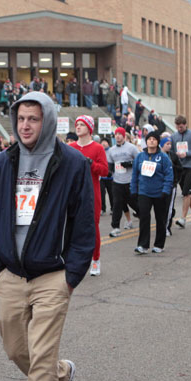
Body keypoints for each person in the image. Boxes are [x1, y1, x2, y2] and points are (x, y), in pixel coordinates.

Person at [0, 91, 95, 381]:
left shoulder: (72, 163)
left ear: (47, 120)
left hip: (52, 275)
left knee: (41, 356)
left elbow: (84, 224)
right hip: (12, 273)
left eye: (33, 119)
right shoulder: (3, 161)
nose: (26, 126)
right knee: (17, 349)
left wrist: (72, 276)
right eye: (21, 119)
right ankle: (63, 378)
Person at [70, 115, 108, 275]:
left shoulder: (97, 148)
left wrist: (91, 164)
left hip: (92, 192)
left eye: (82, 125)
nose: (78, 127)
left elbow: (105, 171)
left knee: (92, 227)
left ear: (89, 129)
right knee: (72, 228)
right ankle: (75, 260)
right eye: (77, 124)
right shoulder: (71, 147)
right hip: (74, 193)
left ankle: (95, 260)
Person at [130, 131, 173, 253]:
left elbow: (169, 175)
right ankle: (143, 245)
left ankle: (159, 244)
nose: (152, 141)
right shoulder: (140, 156)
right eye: (149, 139)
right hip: (144, 192)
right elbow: (134, 175)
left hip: (159, 193)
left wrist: (165, 190)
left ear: (158, 142)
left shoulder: (164, 157)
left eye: (154, 139)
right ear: (146, 141)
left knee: (160, 219)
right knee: (144, 217)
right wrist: (133, 190)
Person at [170, 115, 191, 228]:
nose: (180, 129)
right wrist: (175, 156)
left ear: (185, 124)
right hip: (179, 167)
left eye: (181, 127)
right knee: (185, 192)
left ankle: (182, 218)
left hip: (190, 166)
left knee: (186, 192)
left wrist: (187, 153)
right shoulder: (173, 136)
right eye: (178, 127)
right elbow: (172, 151)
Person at [106, 127, 139, 236]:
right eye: (116, 134)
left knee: (133, 203)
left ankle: (141, 214)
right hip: (117, 181)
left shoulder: (132, 148)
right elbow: (110, 164)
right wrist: (109, 171)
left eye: (120, 134)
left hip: (130, 181)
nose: (118, 136)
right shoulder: (111, 150)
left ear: (124, 136)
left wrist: (130, 164)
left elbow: (140, 161)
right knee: (117, 205)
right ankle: (115, 227)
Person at [161, 136, 183, 237]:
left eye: (170, 144)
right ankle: (160, 226)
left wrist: (176, 180)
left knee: (169, 208)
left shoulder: (173, 156)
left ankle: (166, 227)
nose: (169, 146)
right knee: (160, 208)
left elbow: (180, 168)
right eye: (167, 144)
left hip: (171, 185)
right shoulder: (157, 155)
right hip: (158, 186)